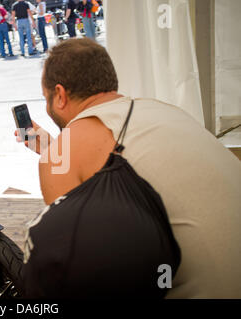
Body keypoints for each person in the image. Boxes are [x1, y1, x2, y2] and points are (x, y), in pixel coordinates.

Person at [16, 38, 241, 298]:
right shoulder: (163, 111)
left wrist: (55, 152)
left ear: (61, 94)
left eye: (47, 98)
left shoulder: (63, 151)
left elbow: (71, 252)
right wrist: (54, 149)